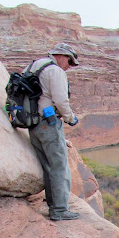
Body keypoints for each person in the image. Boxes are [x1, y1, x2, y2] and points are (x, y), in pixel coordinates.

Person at [28, 43, 80, 221]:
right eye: (69, 61)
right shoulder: (55, 71)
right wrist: (70, 118)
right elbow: (60, 100)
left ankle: (54, 206)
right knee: (59, 166)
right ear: (61, 56)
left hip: (33, 124)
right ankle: (59, 209)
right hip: (48, 124)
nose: (69, 66)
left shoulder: (33, 66)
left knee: (48, 166)